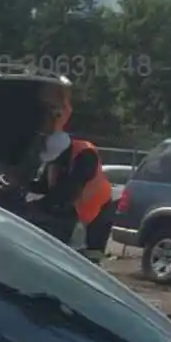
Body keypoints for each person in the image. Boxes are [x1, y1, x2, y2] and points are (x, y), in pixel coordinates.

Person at [27, 86, 114, 258]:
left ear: (62, 152)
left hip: (97, 213)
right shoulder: (56, 161)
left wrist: (35, 207)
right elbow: (45, 187)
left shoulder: (85, 155)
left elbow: (67, 191)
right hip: (74, 212)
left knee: (89, 257)